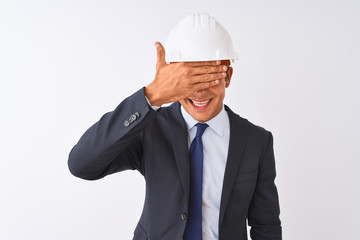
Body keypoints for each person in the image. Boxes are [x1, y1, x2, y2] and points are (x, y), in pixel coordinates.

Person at [68, 13, 282, 240]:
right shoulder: (149, 128)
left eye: (208, 77)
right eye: (189, 79)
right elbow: (81, 164)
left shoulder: (257, 141)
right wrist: (152, 96)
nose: (199, 92)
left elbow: (266, 226)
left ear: (228, 77)